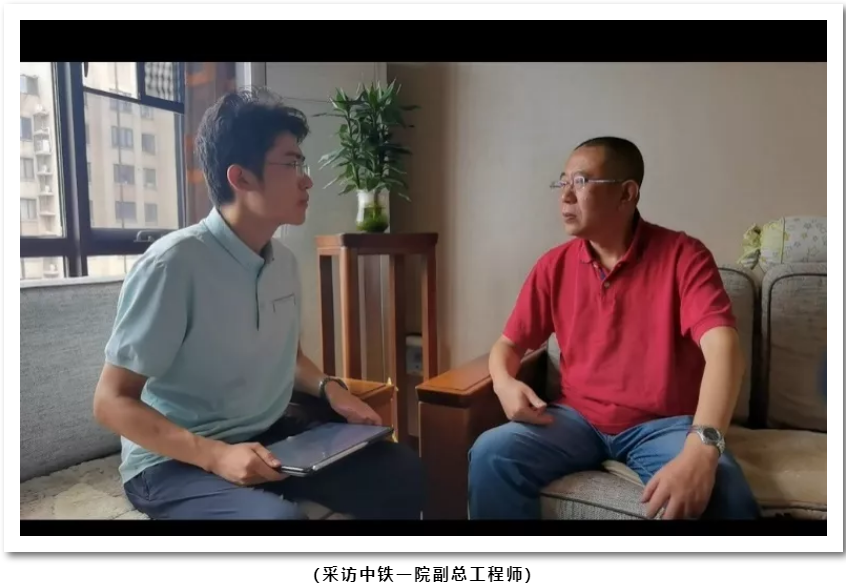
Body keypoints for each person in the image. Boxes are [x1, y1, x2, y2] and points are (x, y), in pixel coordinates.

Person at [92, 88, 424, 520]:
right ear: (242, 178)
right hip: (172, 462)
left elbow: (290, 357)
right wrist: (214, 455)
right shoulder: (172, 265)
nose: (307, 179)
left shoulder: (282, 261)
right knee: (277, 522)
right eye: (292, 163)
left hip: (267, 436)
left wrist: (333, 390)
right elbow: (110, 401)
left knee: (404, 472)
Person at [469, 137, 760, 520]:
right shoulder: (553, 266)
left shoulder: (683, 257)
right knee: (491, 454)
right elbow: (507, 346)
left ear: (627, 193)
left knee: (723, 491)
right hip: (575, 420)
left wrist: (702, 448)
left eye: (581, 182)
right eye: (562, 182)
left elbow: (724, 349)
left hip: (663, 425)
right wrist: (504, 384)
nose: (565, 196)